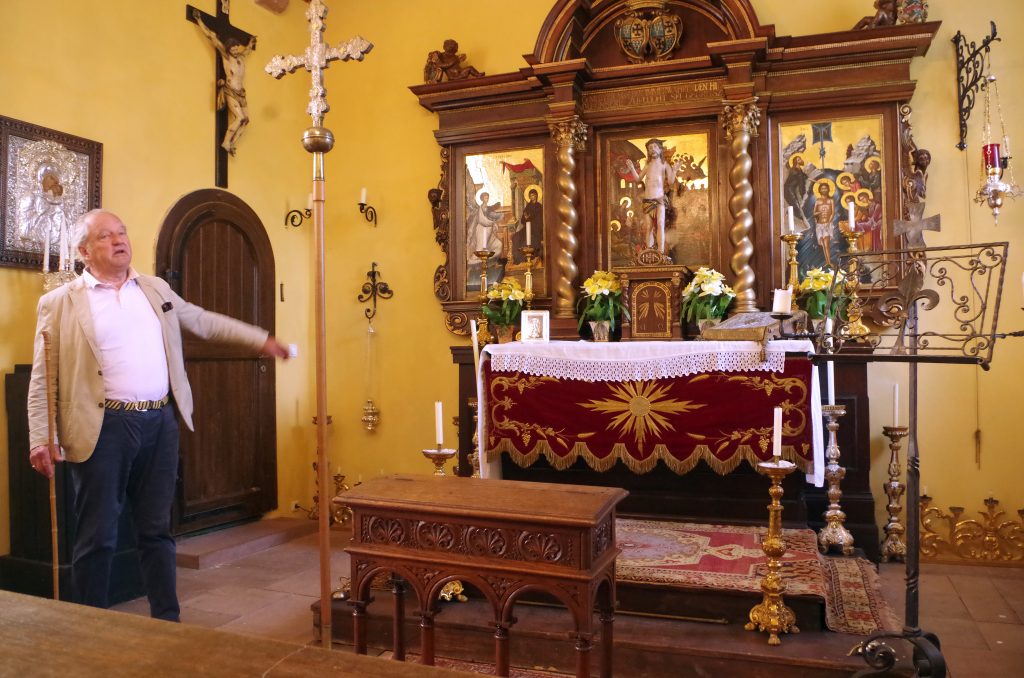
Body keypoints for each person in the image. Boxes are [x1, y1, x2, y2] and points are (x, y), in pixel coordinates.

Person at [27, 209, 289, 621]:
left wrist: (261, 340)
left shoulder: (155, 289)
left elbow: (202, 322)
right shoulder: (59, 303)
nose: (118, 240)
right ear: (83, 251)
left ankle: (167, 622)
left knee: (156, 530)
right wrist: (41, 437)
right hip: (103, 428)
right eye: (105, 236)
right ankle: (88, 627)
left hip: (159, 422)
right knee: (97, 536)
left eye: (122, 232)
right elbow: (44, 375)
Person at [192, 9, 257, 156]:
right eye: (232, 48)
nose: (235, 50)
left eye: (236, 48)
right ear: (228, 48)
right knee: (239, 117)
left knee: (246, 120)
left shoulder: (241, 57)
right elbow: (211, 36)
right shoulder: (226, 57)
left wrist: (251, 42)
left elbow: (248, 50)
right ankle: (226, 142)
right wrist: (199, 20)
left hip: (241, 92)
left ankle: (231, 143)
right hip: (230, 90)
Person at [628, 139, 681, 252]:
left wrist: (675, 170)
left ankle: (660, 253)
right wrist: (632, 168)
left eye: (655, 147)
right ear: (648, 151)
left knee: (660, 224)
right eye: (650, 148)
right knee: (649, 227)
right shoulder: (648, 165)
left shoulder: (664, 164)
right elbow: (638, 179)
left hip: (659, 199)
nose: (652, 149)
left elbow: (671, 181)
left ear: (660, 149)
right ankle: (649, 251)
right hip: (648, 200)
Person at [512, 188, 543, 262]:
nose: (532, 197)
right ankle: (517, 259)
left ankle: (527, 259)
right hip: (527, 228)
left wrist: (530, 217)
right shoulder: (528, 206)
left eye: (534, 195)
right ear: (529, 197)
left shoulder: (539, 206)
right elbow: (523, 220)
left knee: (527, 241)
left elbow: (540, 219)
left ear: (537, 196)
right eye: (531, 196)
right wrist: (526, 218)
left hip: (536, 229)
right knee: (516, 237)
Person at [812, 181, 836, 269]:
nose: (824, 189)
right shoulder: (817, 201)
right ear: (819, 190)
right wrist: (818, 213)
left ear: (828, 189)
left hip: (827, 224)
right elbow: (814, 213)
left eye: (825, 188)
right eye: (822, 188)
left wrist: (829, 222)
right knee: (822, 243)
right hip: (819, 225)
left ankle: (829, 262)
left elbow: (833, 213)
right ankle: (827, 262)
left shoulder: (831, 200)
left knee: (826, 243)